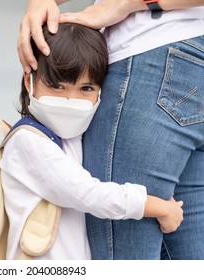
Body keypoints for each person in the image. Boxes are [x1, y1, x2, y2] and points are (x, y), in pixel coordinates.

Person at [17, 0, 204, 259]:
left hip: (150, 50)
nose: (70, 100)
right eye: (57, 87)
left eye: (86, 89)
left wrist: (127, 4)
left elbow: (88, 194)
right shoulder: (28, 140)